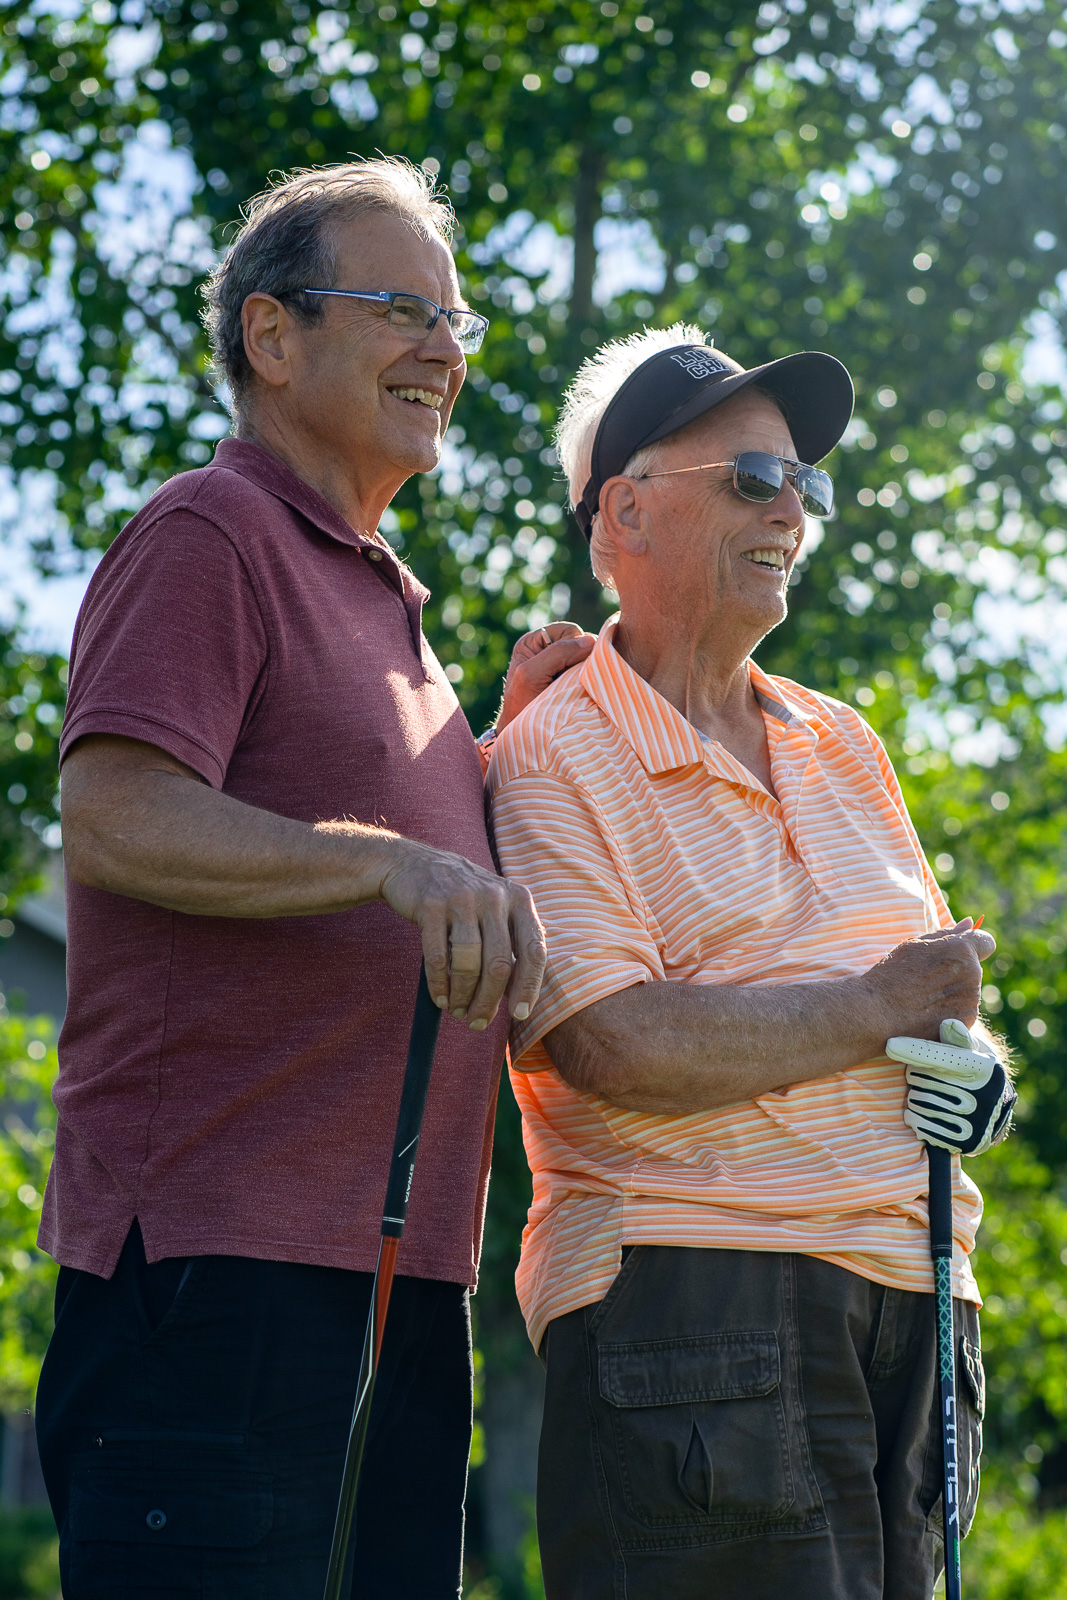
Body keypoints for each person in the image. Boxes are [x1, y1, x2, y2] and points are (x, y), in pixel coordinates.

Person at [35, 159, 592, 1600]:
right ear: (270, 339)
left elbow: (371, 844)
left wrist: (488, 753)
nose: (443, 348)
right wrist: (394, 862)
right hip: (219, 1279)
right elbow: (112, 812)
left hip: (396, 1282)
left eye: (456, 318)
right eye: (402, 308)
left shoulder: (380, 593)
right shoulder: (209, 535)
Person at [487, 325, 1013, 1599]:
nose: (791, 511)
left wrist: (972, 1075)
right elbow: (612, 1040)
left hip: (919, 1304)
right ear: (622, 513)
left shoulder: (842, 742)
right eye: (750, 479)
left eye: (804, 485)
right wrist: (883, 1006)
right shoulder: (553, 748)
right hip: (699, 1309)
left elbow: (932, 999)